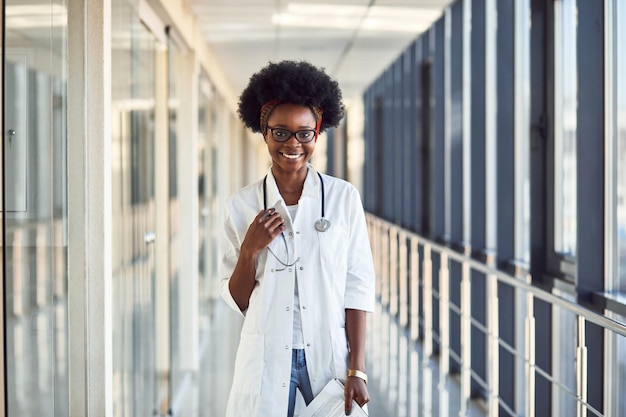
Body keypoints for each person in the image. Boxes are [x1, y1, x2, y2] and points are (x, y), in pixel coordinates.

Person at [219, 60, 375, 417]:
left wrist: (358, 368)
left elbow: (358, 284)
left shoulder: (342, 198)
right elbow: (237, 299)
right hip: (266, 353)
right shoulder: (240, 206)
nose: (293, 143)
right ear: (264, 133)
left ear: (317, 134)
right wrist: (248, 251)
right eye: (281, 132)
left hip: (326, 353)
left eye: (304, 133)